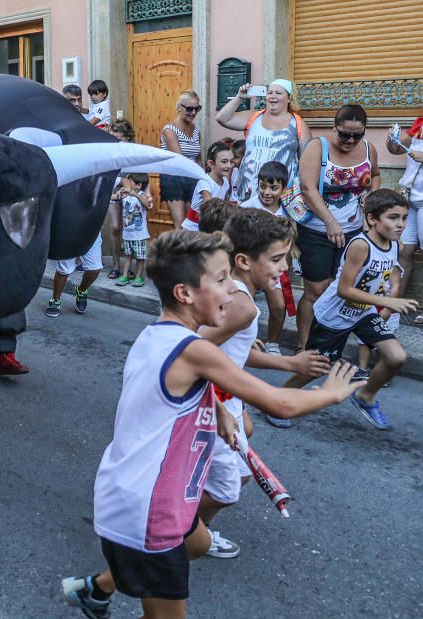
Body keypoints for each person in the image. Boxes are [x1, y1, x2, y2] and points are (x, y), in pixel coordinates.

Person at [60, 229, 362, 619]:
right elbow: (279, 403)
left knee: (199, 544)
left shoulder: (159, 335)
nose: (230, 292)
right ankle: (100, 589)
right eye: (221, 281)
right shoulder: (194, 350)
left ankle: (97, 590)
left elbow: (169, 391)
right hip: (147, 508)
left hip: (141, 496)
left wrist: (216, 411)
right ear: (185, 294)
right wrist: (331, 393)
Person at [193, 208, 330, 559]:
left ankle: (193, 529)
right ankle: (180, 531)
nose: (286, 268)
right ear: (244, 260)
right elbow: (187, 350)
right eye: (277, 259)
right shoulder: (243, 306)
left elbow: (229, 353)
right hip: (212, 401)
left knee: (236, 477)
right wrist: (217, 405)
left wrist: (288, 362)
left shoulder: (239, 298)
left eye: (287, 258)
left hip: (223, 400)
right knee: (226, 487)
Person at [277, 189, 417, 430]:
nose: (401, 224)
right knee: (317, 367)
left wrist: (388, 297)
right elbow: (344, 289)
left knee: (397, 357)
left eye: (404, 218)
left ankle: (365, 396)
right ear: (372, 219)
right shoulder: (361, 245)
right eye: (393, 218)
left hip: (363, 312)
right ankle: (278, 401)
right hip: (334, 316)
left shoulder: (394, 243)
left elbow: (389, 274)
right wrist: (387, 303)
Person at [294, 105, 380, 350]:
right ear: (334, 127)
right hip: (317, 231)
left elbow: (375, 174)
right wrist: (330, 221)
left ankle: (327, 348)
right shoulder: (316, 148)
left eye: (357, 135)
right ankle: (304, 347)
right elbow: (308, 189)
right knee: (316, 290)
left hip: (353, 232)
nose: (350, 140)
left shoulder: (368, 149)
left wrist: (370, 194)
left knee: (340, 291)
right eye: (344, 134)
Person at [215, 79, 310, 204]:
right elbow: (222, 118)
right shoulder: (254, 117)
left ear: (289, 98)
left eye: (278, 93)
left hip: (280, 198)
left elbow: (307, 165)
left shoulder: (299, 125)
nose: (273, 96)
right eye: (269, 92)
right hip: (248, 194)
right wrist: (239, 97)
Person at [241, 161, 291, 353]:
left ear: (283, 189)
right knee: (246, 306)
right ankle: (243, 338)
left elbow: (290, 236)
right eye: (263, 186)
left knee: (278, 306)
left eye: (273, 188)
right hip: (249, 267)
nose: (267, 192)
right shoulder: (247, 207)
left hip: (272, 268)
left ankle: (272, 343)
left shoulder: (288, 210)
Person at [388, 117, 423, 325]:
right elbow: (396, 149)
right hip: (409, 198)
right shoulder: (419, 123)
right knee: (404, 251)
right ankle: (394, 305)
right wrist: (392, 140)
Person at [159, 90, 203, 230]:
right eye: (189, 108)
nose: (193, 112)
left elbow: (199, 159)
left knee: (192, 224)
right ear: (179, 107)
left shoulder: (196, 130)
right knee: (180, 224)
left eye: (197, 108)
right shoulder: (169, 130)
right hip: (174, 178)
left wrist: (203, 179)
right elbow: (180, 160)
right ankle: (179, 252)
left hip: (192, 178)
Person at [104, 120, 137, 277]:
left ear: (128, 138)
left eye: (119, 139)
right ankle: (116, 266)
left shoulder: (135, 151)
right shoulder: (108, 150)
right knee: (116, 227)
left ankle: (128, 267)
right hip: (115, 189)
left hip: (131, 189)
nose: (115, 142)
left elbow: (139, 173)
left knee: (131, 229)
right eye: (112, 138)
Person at [46, 235, 103, 317]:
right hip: (70, 230)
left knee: (94, 269)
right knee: (64, 270)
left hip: (92, 231)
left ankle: (81, 291)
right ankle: (55, 300)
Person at [180, 142, 232, 231]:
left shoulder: (225, 182)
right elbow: (209, 205)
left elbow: (226, 202)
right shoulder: (205, 182)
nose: (229, 165)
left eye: (231, 161)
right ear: (211, 164)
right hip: (193, 228)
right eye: (224, 162)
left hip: (211, 225)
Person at [115, 173, 152, 287]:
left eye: (129, 182)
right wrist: (118, 193)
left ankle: (139, 277)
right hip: (127, 234)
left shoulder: (141, 195)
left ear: (138, 185)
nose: (126, 184)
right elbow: (113, 198)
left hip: (139, 234)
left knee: (140, 257)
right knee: (127, 255)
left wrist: (135, 194)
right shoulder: (125, 195)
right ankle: (125, 276)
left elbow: (148, 205)